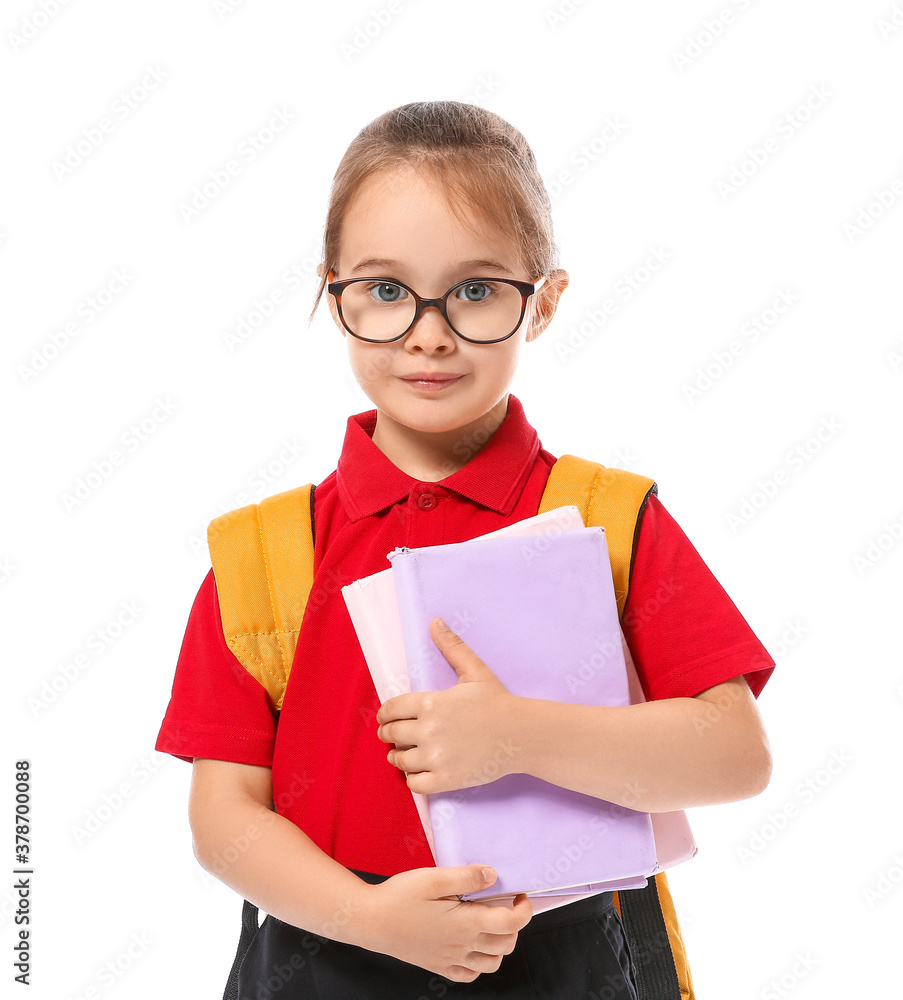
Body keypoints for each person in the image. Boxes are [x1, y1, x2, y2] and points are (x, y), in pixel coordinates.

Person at [155, 100, 775, 999]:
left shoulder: (606, 517)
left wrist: (520, 736)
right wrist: (372, 921)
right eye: (386, 290)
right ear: (334, 295)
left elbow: (735, 756)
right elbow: (223, 818)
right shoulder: (265, 551)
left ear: (545, 302)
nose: (430, 331)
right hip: (321, 946)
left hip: (564, 943)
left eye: (477, 290)